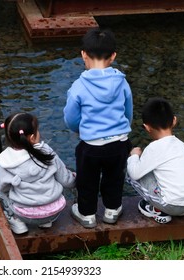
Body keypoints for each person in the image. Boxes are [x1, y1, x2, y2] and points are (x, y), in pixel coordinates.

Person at [63, 27, 133, 228]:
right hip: (119, 143)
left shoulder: (78, 86)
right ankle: (112, 210)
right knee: (114, 178)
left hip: (91, 145)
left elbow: (71, 118)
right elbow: (128, 111)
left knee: (87, 181)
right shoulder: (122, 82)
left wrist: (80, 130)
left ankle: (87, 215)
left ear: (83, 54)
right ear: (113, 56)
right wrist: (122, 128)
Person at [0, 113, 76, 234]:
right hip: (54, 212)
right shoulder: (47, 153)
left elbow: (1, 187)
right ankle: (45, 222)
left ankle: (15, 220)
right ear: (32, 137)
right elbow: (65, 180)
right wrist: (76, 180)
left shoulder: (5, 162)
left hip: (24, 214)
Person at [127, 97, 184, 223]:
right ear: (174, 120)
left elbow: (135, 173)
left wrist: (134, 156)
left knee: (132, 172)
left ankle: (157, 210)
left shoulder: (153, 148)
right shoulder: (181, 144)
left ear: (147, 127)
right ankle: (180, 210)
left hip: (172, 204)